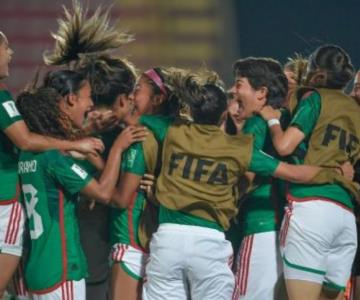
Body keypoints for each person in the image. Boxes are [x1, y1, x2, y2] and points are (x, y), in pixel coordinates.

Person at [116, 68, 348, 300]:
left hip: (168, 240)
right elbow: (291, 173)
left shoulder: (172, 129)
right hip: (210, 243)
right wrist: (333, 173)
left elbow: (131, 117)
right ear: (222, 116)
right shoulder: (239, 148)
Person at [16, 70, 146, 300]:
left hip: (35, 268)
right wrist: (118, 147)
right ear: (71, 99)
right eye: (87, 96)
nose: (92, 103)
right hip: (61, 268)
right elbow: (107, 194)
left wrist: (85, 135)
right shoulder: (56, 159)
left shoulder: (28, 155)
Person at [43, 3, 138, 299]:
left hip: (116, 241)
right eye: (91, 106)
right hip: (83, 240)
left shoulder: (126, 132)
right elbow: (105, 194)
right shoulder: (67, 136)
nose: (94, 114)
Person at [0, 30, 103, 300]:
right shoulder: (47, 154)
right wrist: (76, 144)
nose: (11, 53)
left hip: (33, 273)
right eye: (5, 47)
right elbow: (106, 194)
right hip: (56, 270)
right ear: (70, 99)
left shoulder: (32, 159)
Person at [260, 44, 360, 300]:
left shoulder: (315, 97)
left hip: (311, 207)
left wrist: (272, 120)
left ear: (317, 70)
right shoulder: (355, 109)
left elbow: (284, 146)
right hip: (345, 216)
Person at [229, 57, 289, 300]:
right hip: (288, 230)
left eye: (239, 84)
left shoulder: (256, 122)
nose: (234, 91)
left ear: (261, 93)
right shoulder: (288, 119)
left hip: (261, 227)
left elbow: (247, 175)